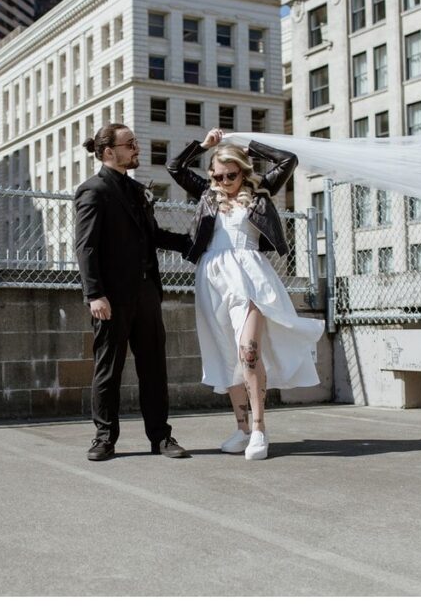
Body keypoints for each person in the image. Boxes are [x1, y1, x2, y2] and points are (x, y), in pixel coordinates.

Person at [167, 128, 324, 460]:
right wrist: (202, 146)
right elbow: (175, 168)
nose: (224, 181)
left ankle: (259, 430)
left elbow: (288, 160)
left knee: (248, 352)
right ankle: (241, 429)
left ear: (242, 170)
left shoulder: (260, 193)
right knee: (227, 356)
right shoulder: (208, 196)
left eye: (231, 175)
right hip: (212, 280)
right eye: (218, 176)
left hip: (250, 278)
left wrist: (247, 143)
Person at [74, 123, 193, 462]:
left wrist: (191, 243)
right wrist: (94, 294)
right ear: (109, 151)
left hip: (146, 293)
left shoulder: (138, 191)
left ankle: (161, 437)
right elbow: (86, 248)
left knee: (154, 368)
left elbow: (151, 235)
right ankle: (104, 438)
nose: (137, 149)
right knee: (108, 368)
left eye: (136, 143)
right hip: (111, 298)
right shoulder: (93, 191)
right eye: (131, 144)